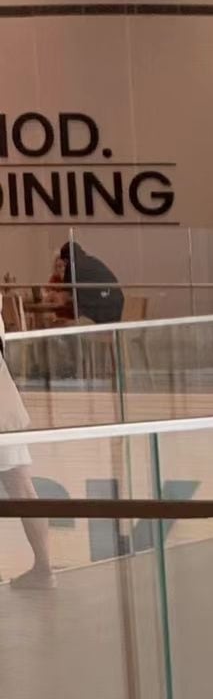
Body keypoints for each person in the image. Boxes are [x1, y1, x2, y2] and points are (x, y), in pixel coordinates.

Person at [0, 336, 55, 591]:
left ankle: (44, 569)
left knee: (23, 489)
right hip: (5, 410)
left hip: (4, 413)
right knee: (23, 489)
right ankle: (44, 568)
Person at [53, 241, 123, 325]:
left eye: (63, 265)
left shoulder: (74, 267)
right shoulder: (90, 261)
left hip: (103, 309)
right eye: (59, 266)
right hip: (115, 303)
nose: (62, 268)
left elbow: (63, 298)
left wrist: (51, 297)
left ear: (66, 260)